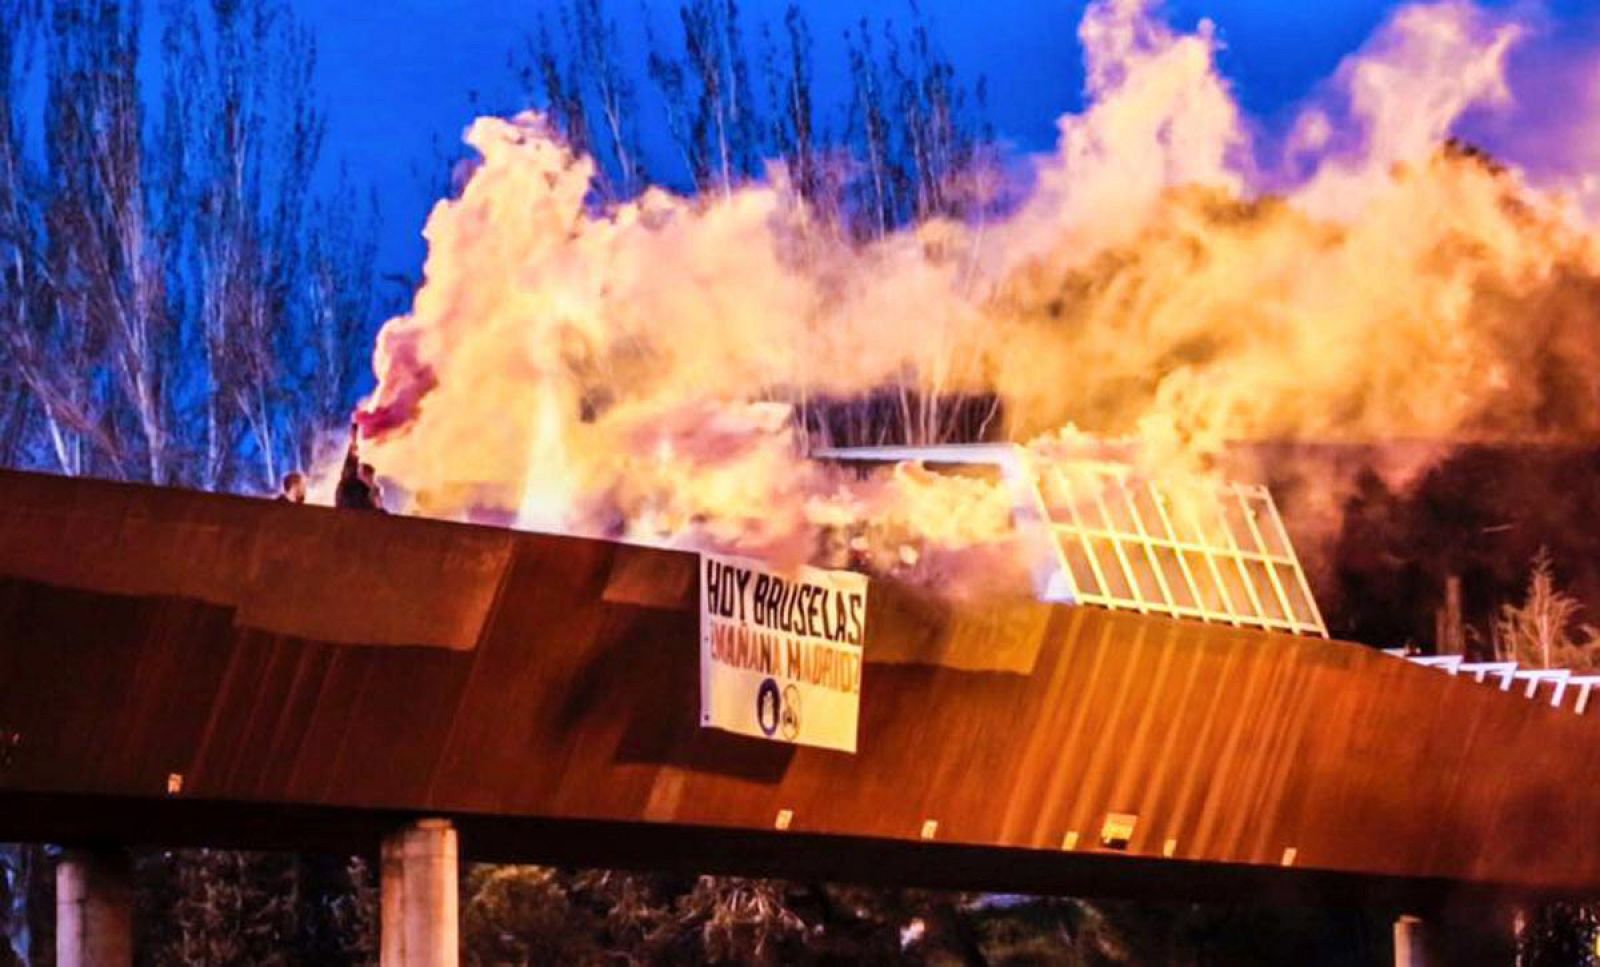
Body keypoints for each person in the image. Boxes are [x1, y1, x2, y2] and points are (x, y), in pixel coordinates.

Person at [335, 422, 384, 511]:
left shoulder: (371, 491)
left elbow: (379, 513)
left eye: (370, 476)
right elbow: (351, 463)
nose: (370, 479)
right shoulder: (350, 485)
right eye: (367, 475)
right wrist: (354, 439)